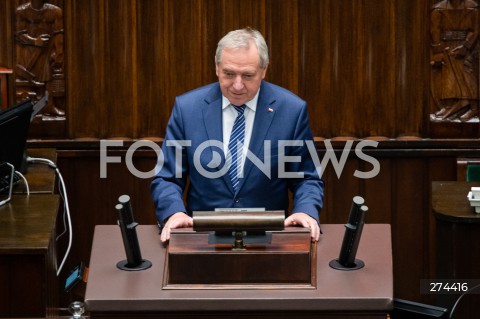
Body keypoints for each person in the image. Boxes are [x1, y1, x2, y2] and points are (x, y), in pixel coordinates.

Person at [151, 27, 324, 243]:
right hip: (201, 240)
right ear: (217, 68)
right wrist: (174, 212)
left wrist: (305, 212)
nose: (238, 85)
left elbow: (307, 178)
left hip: (269, 240)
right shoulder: (188, 109)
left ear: (264, 70)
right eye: (229, 74)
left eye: (248, 75)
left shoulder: (292, 111)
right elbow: (166, 177)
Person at [15, 0, 65, 117]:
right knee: (31, 81)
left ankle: (48, 105)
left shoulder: (55, 11)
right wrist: (35, 41)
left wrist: (58, 52)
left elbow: (59, 34)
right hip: (29, 52)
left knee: (49, 78)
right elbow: (18, 34)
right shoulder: (22, 11)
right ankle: (30, 108)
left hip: (48, 50)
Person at [430, 0, 479, 121]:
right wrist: (439, 50)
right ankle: (449, 105)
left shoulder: (472, 8)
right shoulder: (438, 9)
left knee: (468, 74)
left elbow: (475, 30)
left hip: (466, 47)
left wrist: (466, 47)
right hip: (447, 46)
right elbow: (435, 30)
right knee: (448, 76)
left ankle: (473, 107)